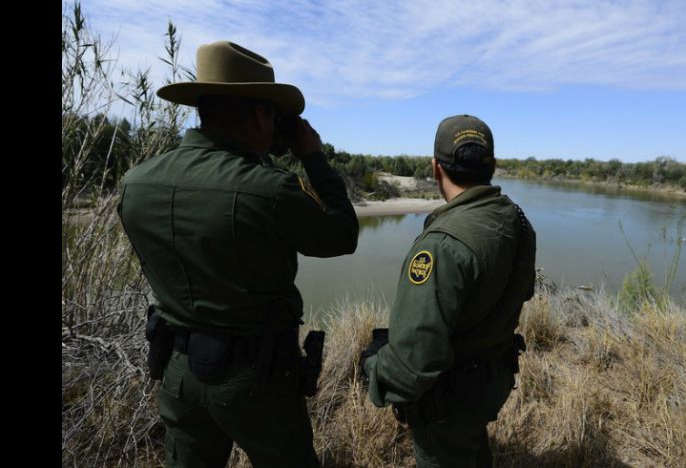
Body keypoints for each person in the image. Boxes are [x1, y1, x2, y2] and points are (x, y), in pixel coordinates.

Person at [117, 41, 358, 467]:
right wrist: (314, 158)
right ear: (258, 114)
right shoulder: (269, 189)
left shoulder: (138, 183)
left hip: (176, 370)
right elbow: (341, 236)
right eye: (272, 115)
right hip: (255, 378)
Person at [361, 115, 536, 468]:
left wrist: (374, 367)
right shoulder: (517, 221)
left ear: (435, 169)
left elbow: (414, 362)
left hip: (449, 403)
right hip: (488, 384)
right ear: (494, 167)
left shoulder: (442, 245)